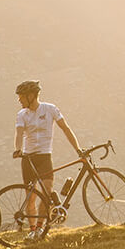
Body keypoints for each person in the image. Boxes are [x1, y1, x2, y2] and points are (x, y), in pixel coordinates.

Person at [11, 80, 81, 228]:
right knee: (30, 197)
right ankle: (32, 229)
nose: (19, 100)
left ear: (31, 96)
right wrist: (18, 149)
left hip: (44, 156)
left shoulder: (50, 109)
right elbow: (19, 134)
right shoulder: (21, 114)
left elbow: (65, 129)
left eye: (22, 97)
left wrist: (78, 149)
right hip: (28, 158)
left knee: (47, 192)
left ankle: (40, 227)